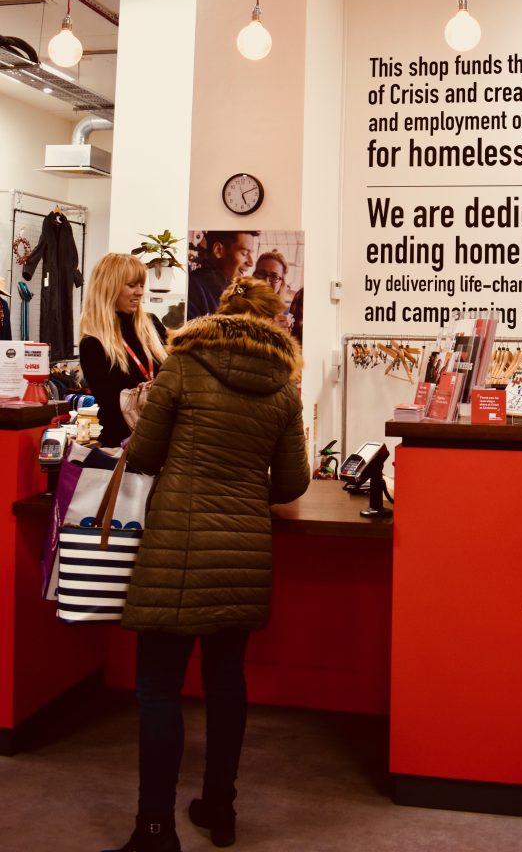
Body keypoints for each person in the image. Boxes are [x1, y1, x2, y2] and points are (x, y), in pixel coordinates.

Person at [103, 275, 310, 852]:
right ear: (273, 322)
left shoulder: (184, 363)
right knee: (226, 683)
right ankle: (220, 808)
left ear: (219, 312)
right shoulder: (285, 387)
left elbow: (142, 455)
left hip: (177, 544)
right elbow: (292, 482)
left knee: (159, 689)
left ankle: (155, 829)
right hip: (243, 546)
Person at [79, 253, 168, 448]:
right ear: (109, 287)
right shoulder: (93, 344)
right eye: (131, 285)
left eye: (141, 285)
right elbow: (111, 407)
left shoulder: (152, 326)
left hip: (162, 443)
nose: (139, 292)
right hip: (122, 448)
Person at [187, 231, 258, 319]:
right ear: (218, 250)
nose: (250, 263)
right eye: (244, 253)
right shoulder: (192, 288)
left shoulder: (240, 290)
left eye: (250, 253)